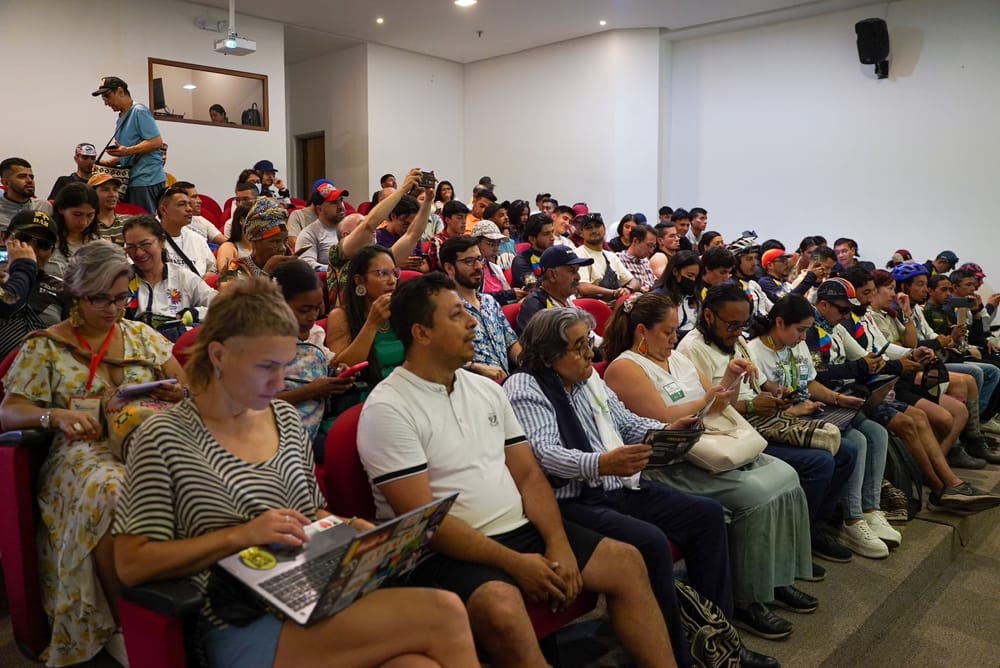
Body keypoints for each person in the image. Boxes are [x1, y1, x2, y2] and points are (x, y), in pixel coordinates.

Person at [113, 275, 479, 668]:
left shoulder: (284, 419)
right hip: (236, 618)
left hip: (306, 593)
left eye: (284, 366)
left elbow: (309, 514)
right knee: (443, 611)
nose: (279, 382)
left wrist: (351, 529)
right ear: (219, 355)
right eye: (266, 367)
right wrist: (240, 535)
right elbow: (132, 563)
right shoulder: (163, 437)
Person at [358, 273, 686, 668]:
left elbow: (529, 476)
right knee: (503, 606)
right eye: (457, 315)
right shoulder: (388, 408)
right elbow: (426, 521)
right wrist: (515, 563)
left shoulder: (486, 389)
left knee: (627, 561)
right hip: (442, 552)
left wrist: (557, 542)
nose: (473, 323)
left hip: (520, 530)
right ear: (422, 333)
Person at [509, 308, 780, 667]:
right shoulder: (525, 387)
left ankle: (718, 639)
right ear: (547, 355)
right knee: (650, 542)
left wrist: (669, 431)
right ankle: (678, 655)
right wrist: (602, 463)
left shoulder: (589, 379)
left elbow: (627, 422)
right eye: (578, 347)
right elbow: (543, 455)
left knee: (707, 516)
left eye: (588, 343)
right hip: (574, 499)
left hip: (619, 483)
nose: (590, 354)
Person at [0, 241, 188, 666]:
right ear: (74, 294)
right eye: (99, 298)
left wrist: (177, 392)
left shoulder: (142, 335)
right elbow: (9, 411)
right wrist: (55, 417)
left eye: (121, 297)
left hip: (146, 439)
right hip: (82, 452)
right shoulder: (45, 346)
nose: (113, 309)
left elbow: (188, 388)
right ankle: (126, 622)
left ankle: (191, 599)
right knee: (112, 489)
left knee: (189, 473)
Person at [600, 293, 815, 641]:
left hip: (709, 447)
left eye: (674, 331)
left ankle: (773, 578)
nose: (675, 339)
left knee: (787, 475)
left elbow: (718, 402)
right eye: (667, 332)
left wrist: (730, 376)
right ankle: (746, 598)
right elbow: (664, 420)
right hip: (671, 463)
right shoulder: (625, 368)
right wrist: (710, 398)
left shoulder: (676, 361)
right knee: (756, 493)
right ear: (642, 331)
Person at [676, 285, 855, 573]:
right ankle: (792, 545)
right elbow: (705, 409)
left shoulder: (734, 340)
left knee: (847, 451)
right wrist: (752, 406)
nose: (738, 332)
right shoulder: (691, 349)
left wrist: (775, 393)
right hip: (729, 431)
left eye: (742, 324)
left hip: (757, 420)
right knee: (819, 462)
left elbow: (756, 384)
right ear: (708, 316)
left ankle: (812, 530)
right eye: (732, 324)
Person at [270, 260, 357, 461]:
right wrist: (312, 390)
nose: (312, 316)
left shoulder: (315, 334)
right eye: (304, 310)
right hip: (274, 432)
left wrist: (338, 373)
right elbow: (253, 404)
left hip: (314, 427)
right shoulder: (257, 343)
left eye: (317, 309)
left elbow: (328, 364)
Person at [325, 245, 404, 401]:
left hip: (405, 392)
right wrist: (371, 324)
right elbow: (342, 368)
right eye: (382, 274)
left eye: (395, 273)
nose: (392, 281)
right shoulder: (341, 315)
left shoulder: (401, 310)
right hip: (368, 397)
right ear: (359, 280)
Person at [123, 216, 217, 340]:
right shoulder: (122, 280)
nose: (139, 253)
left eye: (145, 244)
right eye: (131, 247)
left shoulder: (183, 277)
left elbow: (225, 306)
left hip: (177, 351)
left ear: (162, 242)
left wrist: (196, 313)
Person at [441, 235, 521, 379]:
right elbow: (437, 355)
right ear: (449, 268)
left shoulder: (489, 301)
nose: (478, 267)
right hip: (469, 386)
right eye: (469, 261)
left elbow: (511, 342)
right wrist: (475, 368)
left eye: (479, 259)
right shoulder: (444, 307)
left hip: (505, 383)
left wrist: (526, 361)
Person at [92, 76, 166, 214]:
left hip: (146, 179)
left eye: (107, 96)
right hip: (133, 180)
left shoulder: (139, 111)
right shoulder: (121, 118)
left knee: (144, 224)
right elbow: (129, 153)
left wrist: (128, 151)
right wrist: (111, 162)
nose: (106, 103)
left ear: (120, 91)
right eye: (103, 99)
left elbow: (156, 142)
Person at [0, 210, 67, 358]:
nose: (31, 248)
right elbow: (7, 302)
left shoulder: (63, 289)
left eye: (43, 244)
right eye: (24, 238)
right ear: (4, 237)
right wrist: (23, 266)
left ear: (52, 252)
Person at [516, 246, 592, 334]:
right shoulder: (535, 306)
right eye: (572, 271)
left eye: (577, 271)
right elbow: (538, 346)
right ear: (552, 275)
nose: (578, 277)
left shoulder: (566, 299)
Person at [220, 198, 298, 281]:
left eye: (285, 240)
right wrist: (267, 272)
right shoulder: (236, 268)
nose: (283, 248)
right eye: (276, 241)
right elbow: (232, 293)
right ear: (254, 242)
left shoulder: (285, 267)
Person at [575, 213, 638, 303]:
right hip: (593, 306)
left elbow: (634, 281)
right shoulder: (578, 254)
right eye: (588, 228)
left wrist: (628, 289)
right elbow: (583, 287)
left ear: (604, 229)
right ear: (581, 233)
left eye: (597, 226)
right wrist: (614, 293)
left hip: (614, 303)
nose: (594, 230)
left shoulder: (611, 256)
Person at [157, 186, 217, 278]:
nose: (189, 209)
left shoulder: (198, 240)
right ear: (163, 210)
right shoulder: (148, 240)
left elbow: (212, 271)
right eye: (181, 204)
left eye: (189, 204)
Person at [49, 182, 101, 278]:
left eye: (90, 215)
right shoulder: (46, 239)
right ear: (61, 209)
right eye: (77, 214)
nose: (84, 222)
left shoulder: (96, 243)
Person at [294, 182, 349, 272]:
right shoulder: (309, 234)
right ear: (319, 209)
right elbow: (307, 264)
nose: (341, 206)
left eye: (341, 200)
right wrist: (339, 271)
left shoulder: (351, 227)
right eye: (334, 202)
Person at [374, 194, 429, 273]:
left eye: (413, 224)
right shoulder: (377, 237)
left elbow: (424, 267)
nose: (408, 229)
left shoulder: (414, 237)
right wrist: (397, 264)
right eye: (406, 224)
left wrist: (418, 265)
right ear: (393, 216)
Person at [653, 251, 702, 340]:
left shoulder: (692, 296)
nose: (693, 280)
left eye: (695, 277)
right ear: (675, 271)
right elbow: (662, 331)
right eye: (690, 275)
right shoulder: (659, 298)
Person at [473, 220, 521, 305]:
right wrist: (509, 295)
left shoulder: (495, 268)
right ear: (477, 242)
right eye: (491, 244)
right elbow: (474, 298)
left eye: (498, 244)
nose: (496, 249)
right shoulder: (471, 270)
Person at [0, 157, 53, 230]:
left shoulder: (44, 206)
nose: (29, 180)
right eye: (22, 176)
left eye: (31, 177)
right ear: (5, 182)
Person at [510, 213, 557, 288]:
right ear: (532, 239)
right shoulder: (521, 261)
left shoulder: (557, 256)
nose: (552, 238)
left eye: (552, 232)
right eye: (546, 234)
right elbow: (534, 287)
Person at [173, 180, 227, 246]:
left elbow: (226, 242)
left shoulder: (201, 221)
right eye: (194, 197)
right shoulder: (166, 222)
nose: (200, 201)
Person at [427, 200, 469, 272]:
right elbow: (443, 266)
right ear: (447, 220)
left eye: (465, 217)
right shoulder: (437, 241)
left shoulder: (467, 240)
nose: (464, 222)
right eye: (459, 218)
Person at [87, 172, 127, 243]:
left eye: (115, 189)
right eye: (105, 189)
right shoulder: (86, 225)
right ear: (92, 194)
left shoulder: (128, 222)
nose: (112, 194)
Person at [215, 202, 253, 272]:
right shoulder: (228, 247)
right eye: (255, 219)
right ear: (242, 220)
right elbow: (226, 279)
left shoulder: (263, 246)